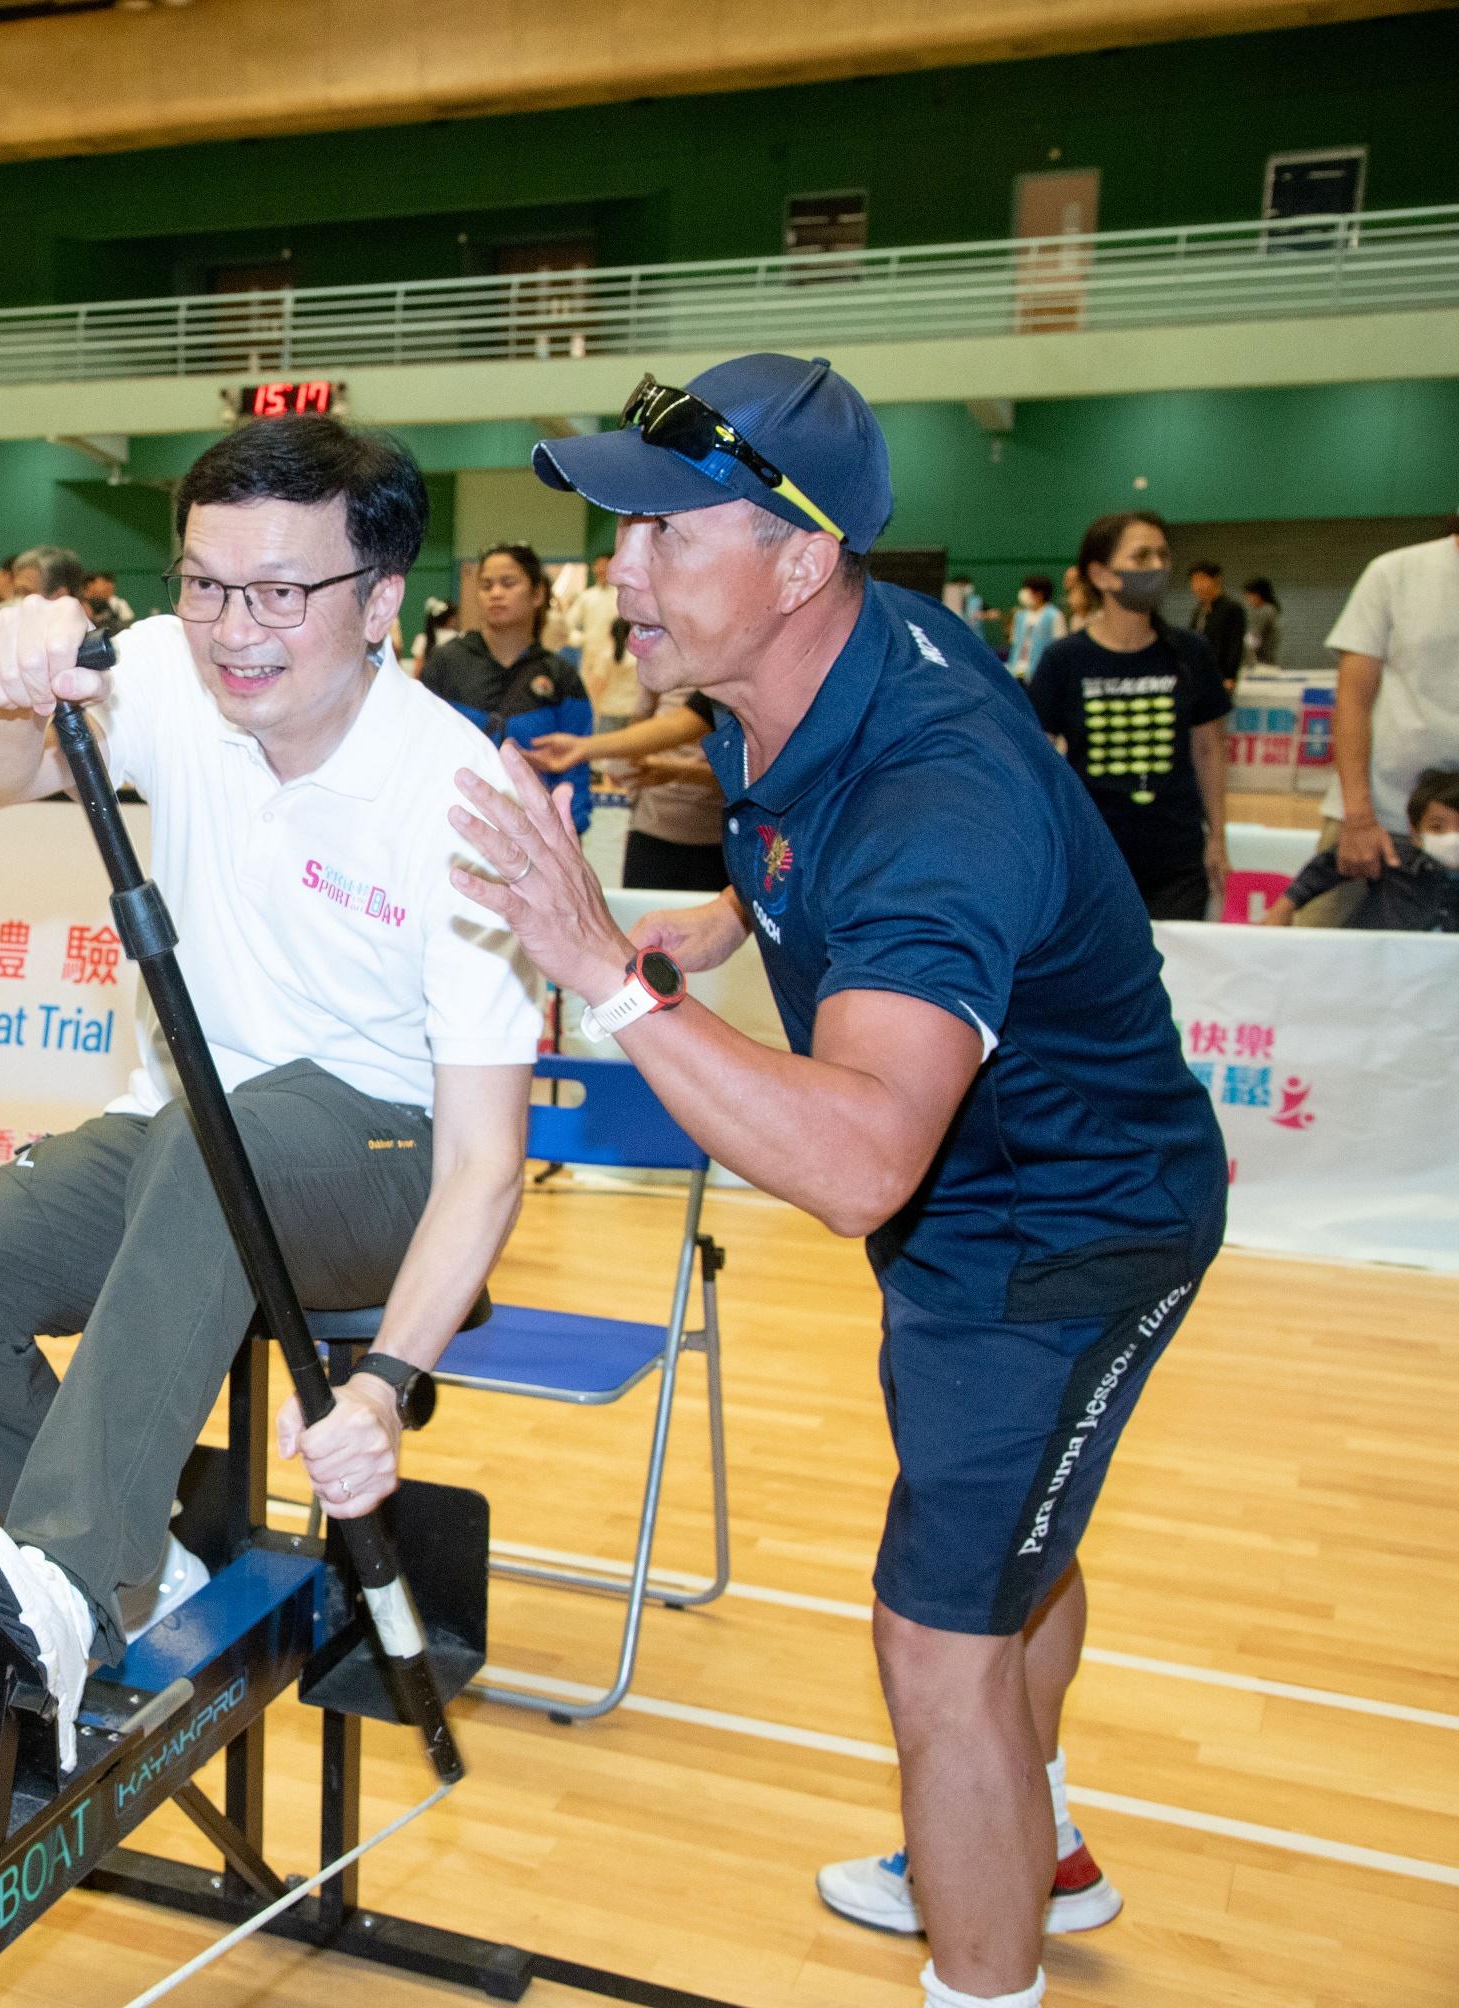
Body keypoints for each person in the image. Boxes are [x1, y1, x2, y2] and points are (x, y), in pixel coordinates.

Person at [490, 352, 1223, 2008]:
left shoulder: (934, 793)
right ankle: (1024, 1844)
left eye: (668, 533)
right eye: (622, 526)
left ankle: (983, 1966)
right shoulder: (823, 667)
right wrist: (730, 919)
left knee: (933, 1634)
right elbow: (802, 836)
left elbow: (850, 1157)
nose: (620, 567)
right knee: (1008, 1540)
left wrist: (609, 969)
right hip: (992, 1206)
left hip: (1060, 1231)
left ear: (801, 559)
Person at [0, 415, 539, 1769]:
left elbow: (485, 1159)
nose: (238, 627)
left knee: (216, 1144)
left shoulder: (460, 796)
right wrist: (12, 686)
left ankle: (62, 1580)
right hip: (183, 1132)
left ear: (381, 603)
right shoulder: (169, 671)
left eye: (284, 592)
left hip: (380, 1158)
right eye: (205, 582)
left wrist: (385, 1390)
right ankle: (135, 1581)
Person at [1026, 512, 1232, 921]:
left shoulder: (1190, 652)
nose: (1157, 567)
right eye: (1141, 558)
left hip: (1177, 860)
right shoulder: (1065, 660)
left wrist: (1219, 839)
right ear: (1101, 574)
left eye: (1163, 555)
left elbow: (1209, 750)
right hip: (1092, 861)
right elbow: (1039, 763)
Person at [418, 543, 594, 832]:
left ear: (537, 594)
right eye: (486, 585)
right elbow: (420, 749)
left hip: (535, 839)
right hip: (452, 830)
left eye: (508, 583)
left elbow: (575, 768)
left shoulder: (561, 676)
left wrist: (569, 831)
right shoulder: (446, 662)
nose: (495, 593)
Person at [1323, 517, 1459, 883]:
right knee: (1325, 934)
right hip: (1378, 814)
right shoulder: (1394, 573)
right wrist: (1359, 815)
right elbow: (1352, 699)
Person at [529, 694, 727, 890]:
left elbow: (686, 724)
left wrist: (584, 747)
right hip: (654, 826)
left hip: (718, 834)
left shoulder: (722, 688)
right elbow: (672, 720)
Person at [1263, 767, 1459, 931]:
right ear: (1415, 832)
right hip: (1377, 964)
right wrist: (1283, 908)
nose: (1452, 838)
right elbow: (1326, 867)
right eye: (1436, 828)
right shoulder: (1395, 857)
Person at [571, 554, 626, 717]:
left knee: (615, 701)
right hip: (590, 659)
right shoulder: (587, 597)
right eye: (598, 566)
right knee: (590, 702)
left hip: (617, 658)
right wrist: (582, 639)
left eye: (605, 565)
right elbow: (569, 625)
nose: (601, 570)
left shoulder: (620, 595)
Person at [1185, 561, 1247, 687]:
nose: (1197, 586)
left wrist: (1230, 676)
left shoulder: (1232, 608)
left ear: (1216, 580)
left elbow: (1235, 645)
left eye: (1202, 580)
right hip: (1198, 675)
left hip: (1221, 677)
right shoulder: (1198, 611)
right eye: (1194, 581)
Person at [1004, 575, 1063, 680]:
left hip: (1042, 672)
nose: (1024, 594)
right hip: (1017, 670)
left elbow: (1060, 645)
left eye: (1027, 590)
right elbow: (1015, 643)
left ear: (1039, 594)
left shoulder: (1054, 615)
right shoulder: (1020, 616)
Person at [1239, 577, 1281, 669]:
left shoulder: (1264, 611)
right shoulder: (1270, 609)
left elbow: (1253, 638)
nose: (1246, 599)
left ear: (1257, 595)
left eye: (1248, 595)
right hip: (1266, 662)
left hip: (1261, 664)